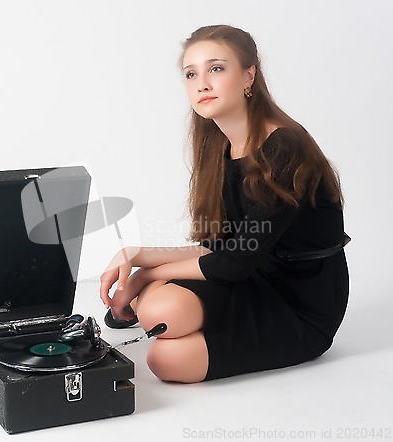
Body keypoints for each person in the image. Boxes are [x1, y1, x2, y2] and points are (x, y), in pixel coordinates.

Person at [99, 24, 350, 384]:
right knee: (159, 309)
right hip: (251, 273)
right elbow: (223, 246)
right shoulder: (220, 145)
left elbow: (234, 262)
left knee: (167, 357)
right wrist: (134, 253)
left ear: (249, 74)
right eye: (191, 74)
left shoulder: (283, 146)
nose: (202, 83)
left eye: (216, 68)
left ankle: (150, 304)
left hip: (299, 303)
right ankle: (150, 304)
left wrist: (147, 274)